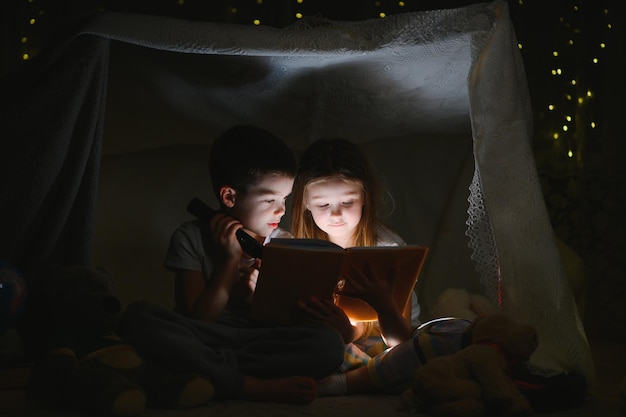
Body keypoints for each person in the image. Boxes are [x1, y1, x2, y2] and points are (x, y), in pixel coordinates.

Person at [117, 125, 345, 404]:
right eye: (269, 199)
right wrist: (228, 261)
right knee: (138, 317)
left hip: (259, 342)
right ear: (229, 197)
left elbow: (289, 321)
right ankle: (247, 386)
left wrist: (260, 303)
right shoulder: (190, 237)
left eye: (284, 199)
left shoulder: (283, 243)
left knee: (329, 344)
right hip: (204, 338)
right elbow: (199, 318)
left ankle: (200, 373)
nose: (281, 210)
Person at [289, 138, 423, 394]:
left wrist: (383, 305)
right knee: (308, 346)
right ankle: (358, 374)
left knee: (415, 354)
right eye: (323, 205)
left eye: (348, 202)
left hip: (383, 341)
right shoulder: (298, 248)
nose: (336, 214)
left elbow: (400, 342)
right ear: (305, 202)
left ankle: (344, 382)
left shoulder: (387, 249)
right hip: (329, 341)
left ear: (365, 197)